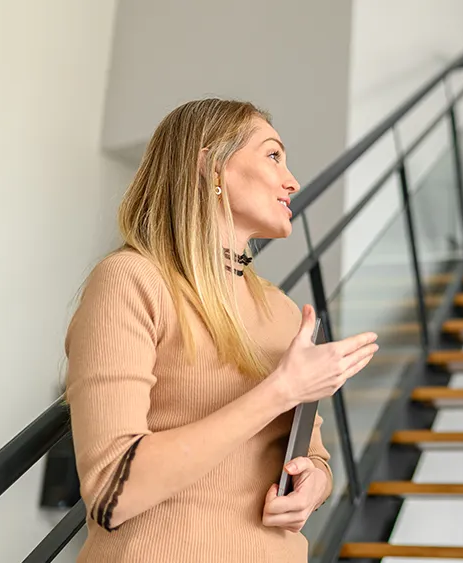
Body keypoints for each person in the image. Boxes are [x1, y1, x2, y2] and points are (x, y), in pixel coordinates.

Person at [64, 98, 379, 563]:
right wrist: (280, 389)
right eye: (273, 156)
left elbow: (314, 455)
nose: (292, 181)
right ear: (209, 165)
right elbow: (113, 489)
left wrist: (313, 485)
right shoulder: (132, 280)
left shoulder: (284, 311)